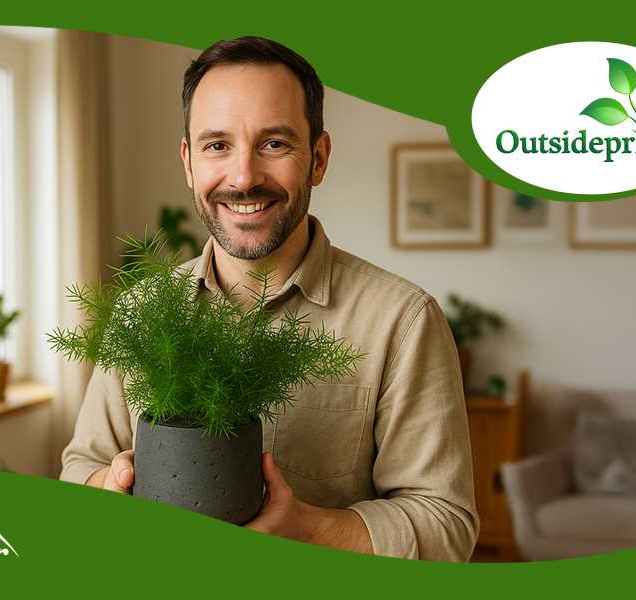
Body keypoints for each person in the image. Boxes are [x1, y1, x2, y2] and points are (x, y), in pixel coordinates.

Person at [60, 36, 478, 561]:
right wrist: (110, 484)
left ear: (318, 158)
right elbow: (79, 468)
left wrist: (307, 528)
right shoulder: (142, 313)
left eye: (274, 144)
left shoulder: (402, 320)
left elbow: (448, 527)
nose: (243, 177)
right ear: (189, 163)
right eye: (217, 146)